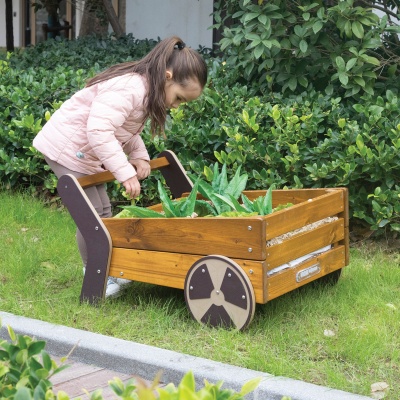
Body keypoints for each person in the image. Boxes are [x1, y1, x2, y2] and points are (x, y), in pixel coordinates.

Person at [33, 36, 208, 298]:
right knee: (91, 216)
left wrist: (138, 156)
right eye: (179, 98)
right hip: (66, 148)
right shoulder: (130, 89)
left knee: (103, 210)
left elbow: (126, 129)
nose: (175, 106)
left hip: (86, 151)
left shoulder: (146, 89)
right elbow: (100, 130)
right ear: (168, 76)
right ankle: (94, 274)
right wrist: (125, 172)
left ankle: (106, 269)